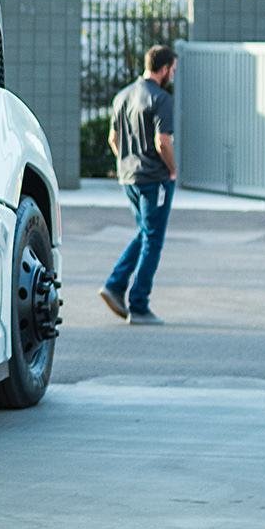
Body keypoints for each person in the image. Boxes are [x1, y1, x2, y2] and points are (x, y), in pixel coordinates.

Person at [103, 44, 177, 324]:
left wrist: (126, 163)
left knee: (146, 232)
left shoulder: (122, 96)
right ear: (165, 68)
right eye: (173, 69)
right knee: (153, 240)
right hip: (153, 179)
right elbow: (163, 142)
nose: (173, 74)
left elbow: (113, 139)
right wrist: (172, 170)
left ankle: (114, 285)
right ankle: (139, 304)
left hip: (129, 176)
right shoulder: (161, 98)